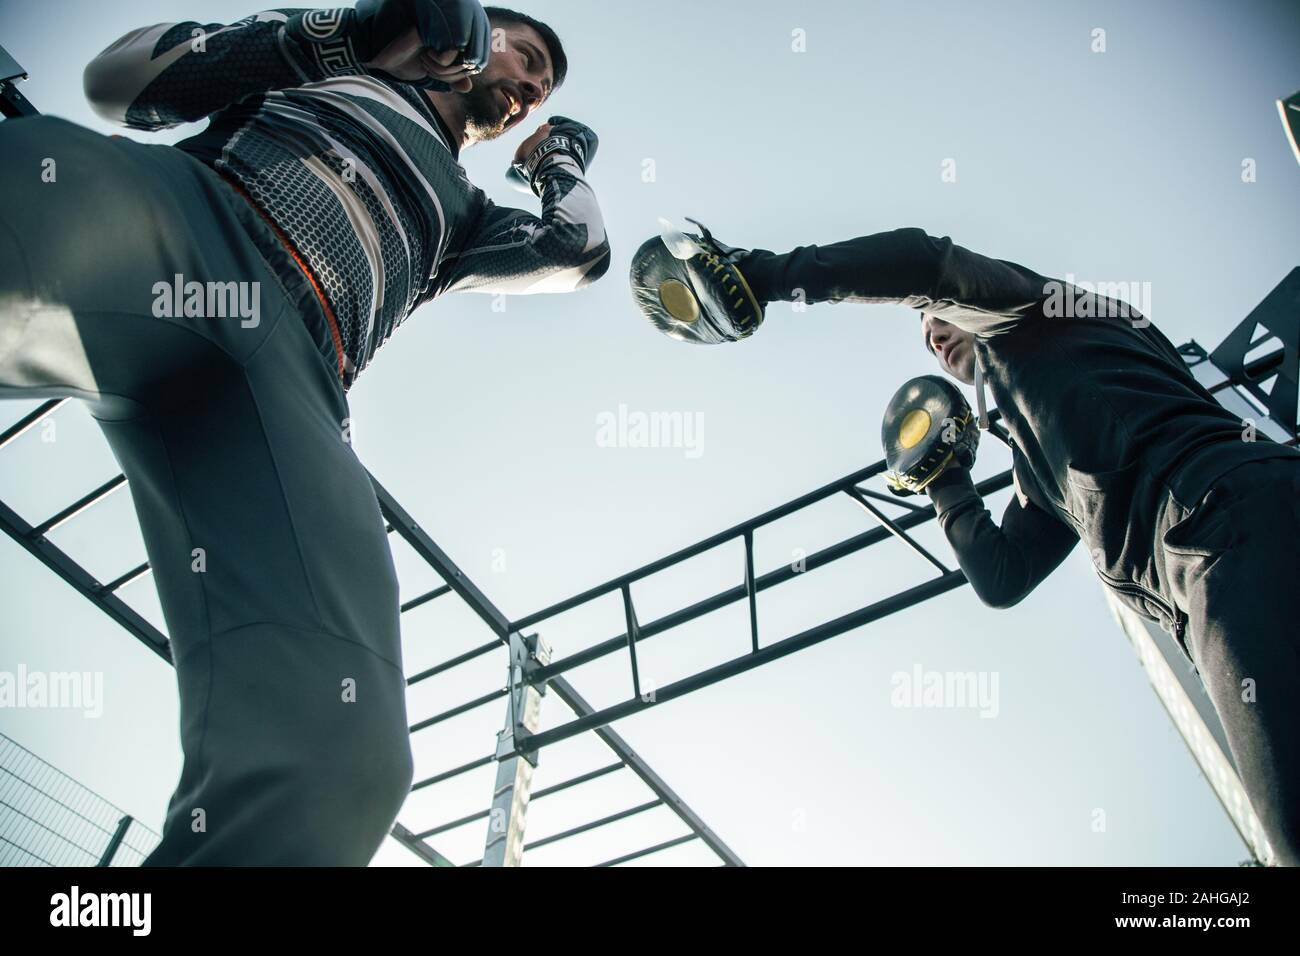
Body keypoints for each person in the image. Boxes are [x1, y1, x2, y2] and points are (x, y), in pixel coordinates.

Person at [0, 0, 609, 865]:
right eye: (529, 49)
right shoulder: (334, 55)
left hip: (291, 383)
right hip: (188, 223)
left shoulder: (464, 217)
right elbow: (119, 85)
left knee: (343, 756)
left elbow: (578, 250)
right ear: (475, 30)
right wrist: (355, 32)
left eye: (547, 82)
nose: (537, 78)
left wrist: (557, 162)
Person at [631, 222, 1300, 865]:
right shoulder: (1040, 466)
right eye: (924, 332)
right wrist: (946, 481)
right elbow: (1002, 577)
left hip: (1225, 527)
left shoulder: (1040, 315)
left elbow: (926, 265)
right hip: (1209, 566)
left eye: (936, 318)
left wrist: (765, 274)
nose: (930, 335)